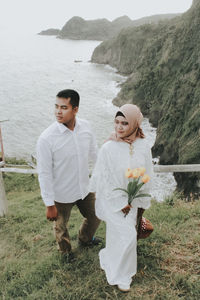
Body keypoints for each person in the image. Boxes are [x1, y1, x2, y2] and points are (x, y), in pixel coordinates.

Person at [90, 104, 153, 292]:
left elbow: (148, 173)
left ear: (135, 123)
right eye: (116, 122)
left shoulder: (143, 145)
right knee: (127, 235)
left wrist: (139, 200)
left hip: (133, 201)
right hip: (113, 201)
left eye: (125, 123)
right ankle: (122, 275)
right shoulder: (109, 147)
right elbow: (104, 178)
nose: (119, 127)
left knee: (121, 236)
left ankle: (114, 260)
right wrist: (119, 202)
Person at [37, 89, 101, 257]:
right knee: (61, 227)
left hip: (84, 188)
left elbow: (95, 154)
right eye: (56, 106)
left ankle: (85, 239)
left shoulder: (86, 127)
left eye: (64, 107)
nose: (58, 111)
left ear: (75, 109)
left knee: (97, 214)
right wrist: (49, 204)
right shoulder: (46, 139)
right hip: (61, 194)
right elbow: (44, 173)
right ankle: (66, 253)